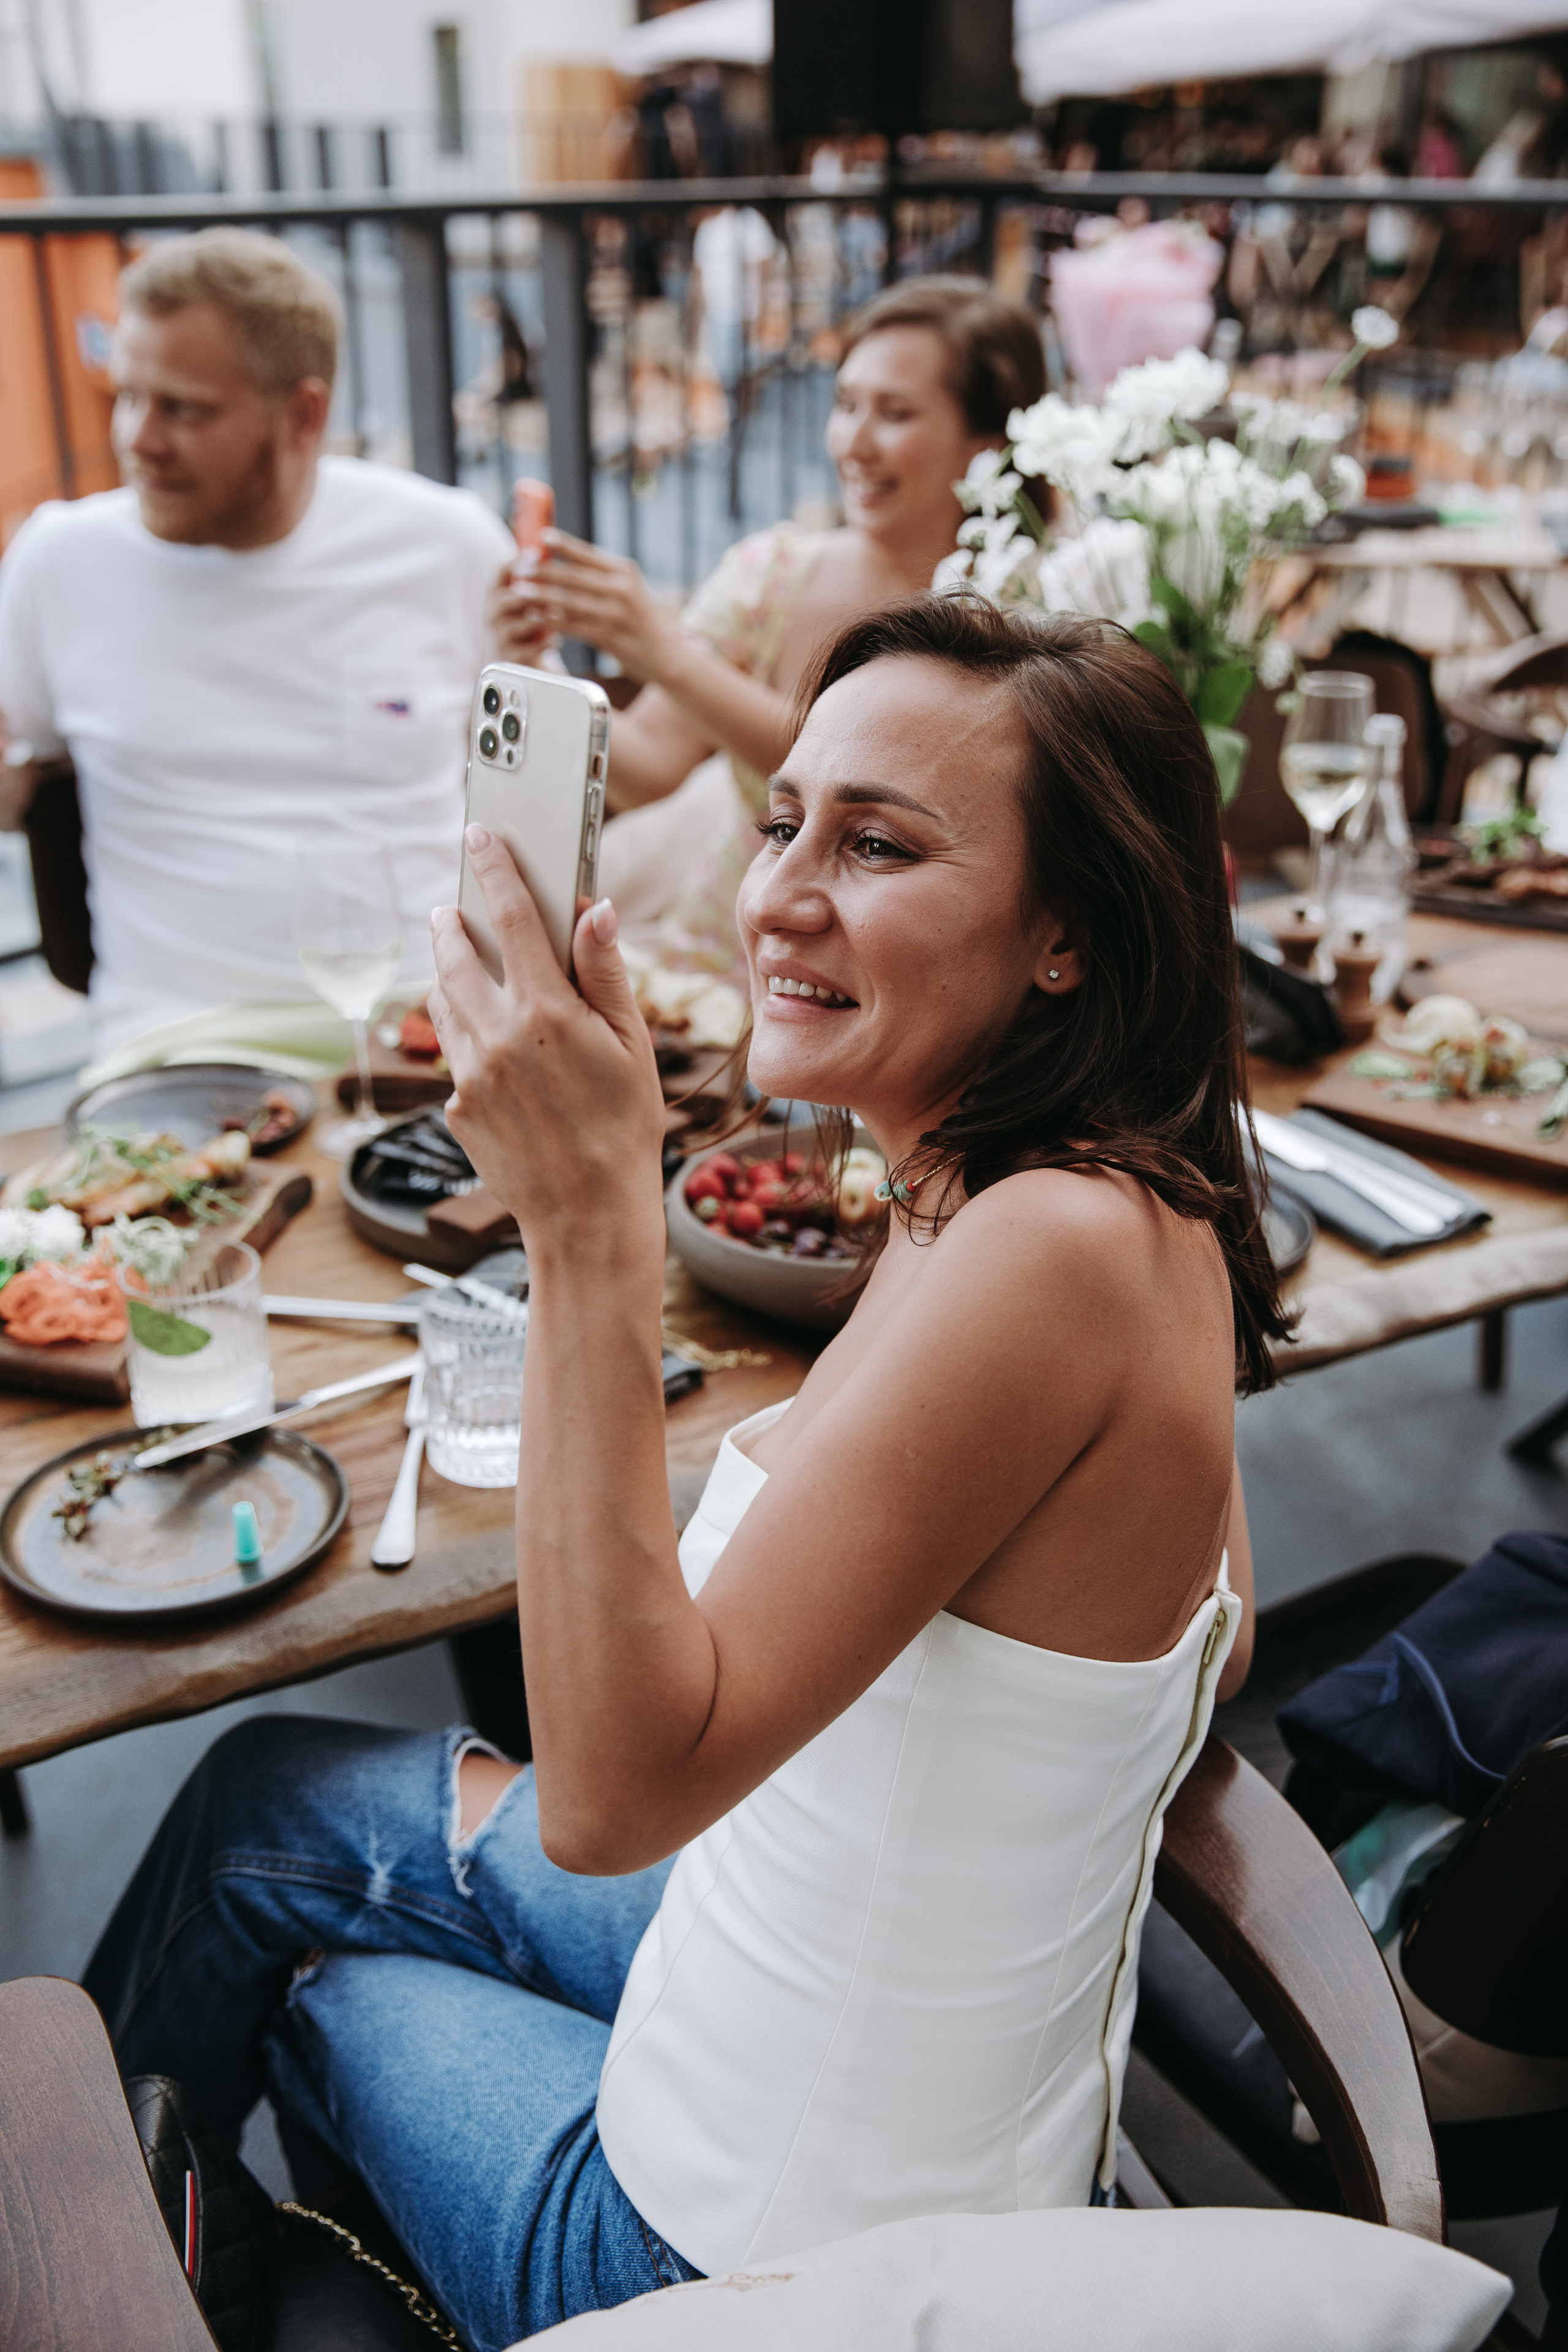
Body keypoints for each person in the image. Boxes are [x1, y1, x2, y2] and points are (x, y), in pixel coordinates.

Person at [85, 595, 1286, 2352]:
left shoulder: (1047, 1257)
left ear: (1067, 935)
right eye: (783, 815)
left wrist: (586, 1221)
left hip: (742, 2250)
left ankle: (88, 2271)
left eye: (877, 843)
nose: (778, 892)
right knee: (269, 1793)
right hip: (792, 1983)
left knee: (312, 1961)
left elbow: (611, 1800)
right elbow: (1216, 1635)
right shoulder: (1105, 1195)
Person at [0, 228, 517, 1054]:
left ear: (303, 413)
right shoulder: (57, 561)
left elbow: (539, 801)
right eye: (128, 396)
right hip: (172, 1044)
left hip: (425, 1030)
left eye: (182, 408)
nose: (137, 437)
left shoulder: (449, 545)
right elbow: (15, 784)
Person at [492, 277, 1046, 974]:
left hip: (907, 983)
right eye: (845, 404)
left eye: (895, 413)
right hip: (727, 966)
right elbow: (645, 770)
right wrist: (535, 659)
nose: (855, 442)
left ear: (986, 445)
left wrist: (665, 653)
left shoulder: (1024, 611)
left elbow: (880, 785)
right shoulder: (772, 574)